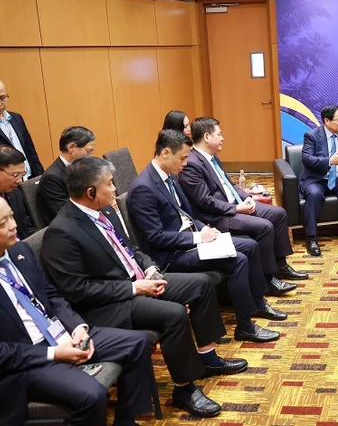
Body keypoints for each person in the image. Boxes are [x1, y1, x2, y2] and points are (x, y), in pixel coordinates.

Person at [40, 157, 246, 418]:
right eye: (109, 184)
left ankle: (207, 356)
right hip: (108, 304)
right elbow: (77, 291)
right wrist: (136, 288)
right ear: (91, 192)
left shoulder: (105, 212)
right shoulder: (63, 232)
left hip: (137, 281)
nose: (115, 189)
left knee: (201, 284)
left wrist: (149, 267)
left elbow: (131, 248)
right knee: (173, 314)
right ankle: (185, 389)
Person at [0, 196, 155, 426]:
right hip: (27, 358)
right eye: (2, 223)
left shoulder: (19, 250)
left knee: (139, 343)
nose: (14, 225)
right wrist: (54, 353)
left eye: (12, 216)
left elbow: (51, 295)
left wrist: (77, 327)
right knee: (92, 395)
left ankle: (126, 420)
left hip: (60, 333)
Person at [127, 130, 287, 332]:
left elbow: (187, 214)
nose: (185, 163)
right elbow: (155, 237)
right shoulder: (144, 188)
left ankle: (257, 303)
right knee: (238, 260)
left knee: (251, 246)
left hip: (192, 240)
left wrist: (205, 229)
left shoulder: (170, 176)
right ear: (166, 152)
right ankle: (245, 326)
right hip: (171, 255)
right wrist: (198, 237)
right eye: (183, 158)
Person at [179, 117, 307, 285]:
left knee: (278, 213)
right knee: (264, 226)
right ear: (207, 137)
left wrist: (246, 197)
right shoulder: (192, 164)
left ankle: (281, 265)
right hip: (218, 215)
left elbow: (229, 184)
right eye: (219, 134)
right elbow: (204, 201)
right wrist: (236, 209)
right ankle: (268, 278)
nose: (223, 138)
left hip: (235, 203)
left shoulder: (212, 157)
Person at [299, 105, 338, 256]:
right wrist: (329, 161)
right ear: (327, 121)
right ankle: (312, 238)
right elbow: (307, 159)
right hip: (316, 178)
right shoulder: (312, 136)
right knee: (314, 195)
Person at [37, 126, 96, 225]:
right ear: (71, 147)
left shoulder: (81, 167)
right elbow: (65, 213)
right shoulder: (52, 178)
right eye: (88, 151)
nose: (91, 156)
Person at [0, 80, 44, 178]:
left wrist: (41, 176)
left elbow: (30, 150)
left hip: (29, 177)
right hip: (8, 183)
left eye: (2, 98)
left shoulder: (16, 118)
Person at [0, 146, 35, 240]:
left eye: (22, 175)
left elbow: (26, 227)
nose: (20, 181)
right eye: (15, 175)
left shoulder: (16, 193)